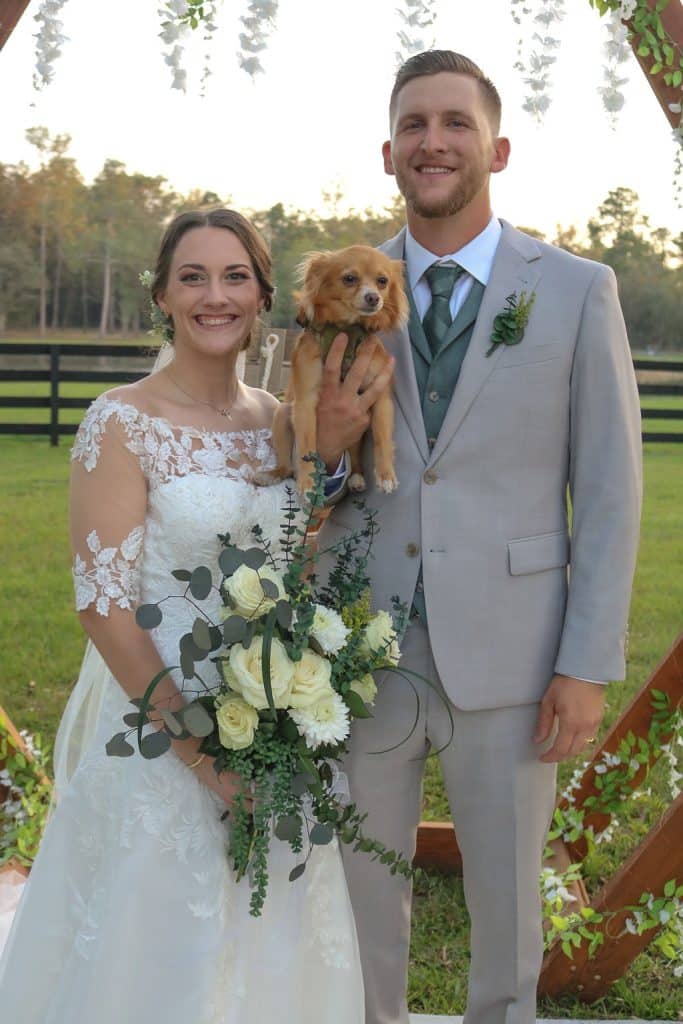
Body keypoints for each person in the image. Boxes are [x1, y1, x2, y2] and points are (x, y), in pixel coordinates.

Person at [0, 208, 391, 1023]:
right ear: (163, 297)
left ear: (262, 297)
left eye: (234, 277)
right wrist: (201, 755)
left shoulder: (276, 421)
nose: (215, 296)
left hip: (274, 717)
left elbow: (298, 561)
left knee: (273, 944)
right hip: (158, 723)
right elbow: (104, 609)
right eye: (193, 277)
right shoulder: (121, 422)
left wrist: (292, 693)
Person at [317, 50, 643, 1024]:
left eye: (454, 123)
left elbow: (610, 488)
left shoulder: (578, 290)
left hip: (513, 656)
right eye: (414, 124)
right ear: (387, 153)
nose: (433, 141)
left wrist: (584, 662)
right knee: (357, 896)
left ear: (495, 146)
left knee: (504, 913)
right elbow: (317, 473)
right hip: (365, 654)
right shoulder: (343, 290)